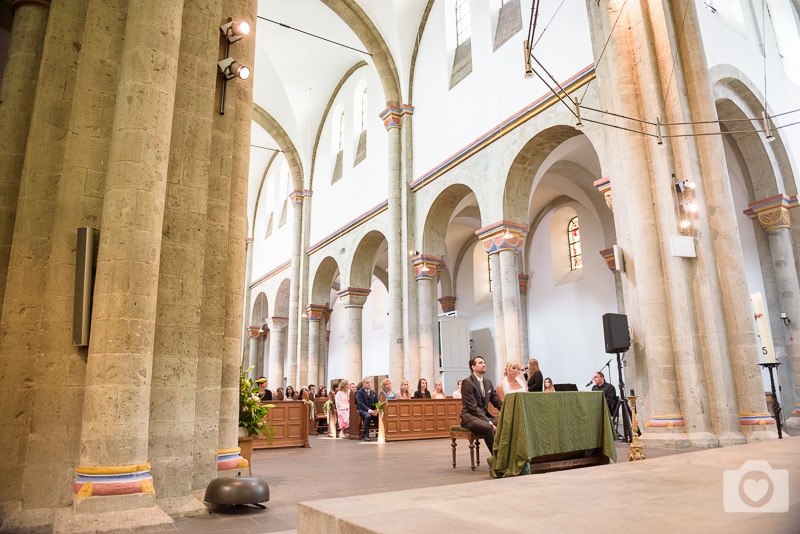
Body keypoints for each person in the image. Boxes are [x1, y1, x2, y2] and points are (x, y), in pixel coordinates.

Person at [460, 356, 502, 452]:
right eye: (480, 363)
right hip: (470, 417)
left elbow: (496, 401)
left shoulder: (488, 382)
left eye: (484, 362)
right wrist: (489, 422)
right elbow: (472, 407)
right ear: (473, 367)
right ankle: (497, 458)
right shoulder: (467, 382)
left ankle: (506, 455)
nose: (484, 364)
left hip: (483, 415)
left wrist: (509, 409)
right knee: (488, 427)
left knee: (504, 424)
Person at [356, 376, 379, 441]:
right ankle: (366, 435)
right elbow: (361, 404)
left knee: (380, 415)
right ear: (363, 384)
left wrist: (377, 410)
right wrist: (369, 411)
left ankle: (380, 434)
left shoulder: (373, 392)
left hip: (372, 410)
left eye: (370, 382)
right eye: (367, 383)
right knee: (368, 416)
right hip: (363, 410)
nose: (369, 384)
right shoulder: (360, 392)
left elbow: (376, 402)